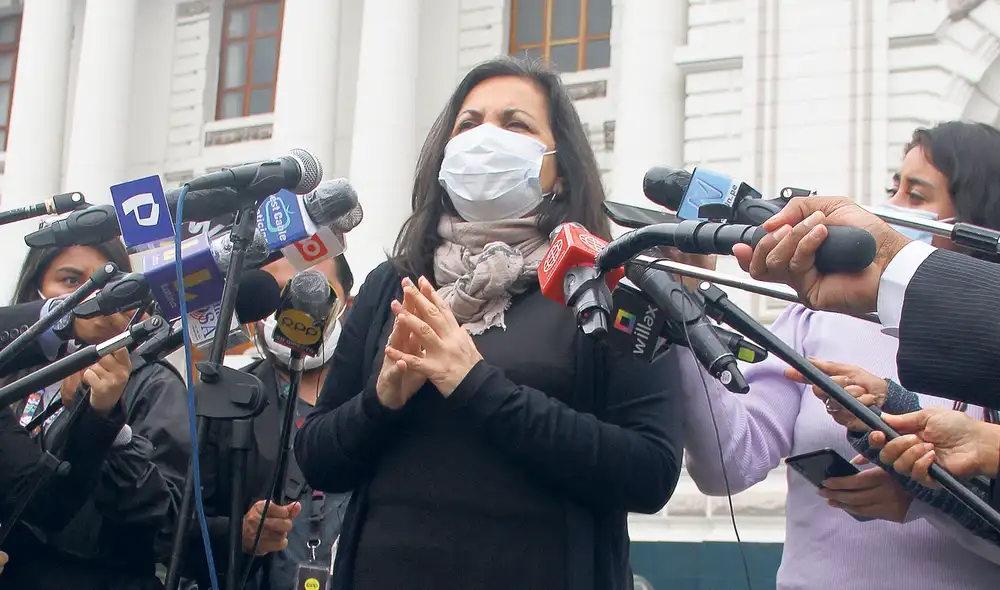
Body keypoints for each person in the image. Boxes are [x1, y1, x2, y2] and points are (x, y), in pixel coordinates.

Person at [294, 56, 684, 590]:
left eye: (516, 123)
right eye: (469, 124)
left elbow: (650, 472)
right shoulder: (394, 283)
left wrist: (475, 384)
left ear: (560, 165)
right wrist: (380, 401)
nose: (485, 138)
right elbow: (318, 460)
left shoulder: (607, 285)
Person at [671, 121, 1000, 589]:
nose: (892, 210)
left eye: (918, 196)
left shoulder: (987, 343)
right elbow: (729, 461)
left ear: (975, 221)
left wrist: (926, 497)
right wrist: (684, 313)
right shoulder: (818, 315)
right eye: (895, 187)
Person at [1, 240, 190, 590]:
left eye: (105, 288)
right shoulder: (10, 373)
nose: (90, 301)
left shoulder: (152, 381)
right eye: (72, 283)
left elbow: (165, 520)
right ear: (36, 290)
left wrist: (108, 425)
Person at [730, 192, 1000, 405]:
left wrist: (889, 258)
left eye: (915, 195)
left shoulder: (959, 352)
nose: (893, 204)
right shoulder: (813, 320)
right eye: (893, 189)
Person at [187, 254, 354, 590]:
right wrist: (240, 535)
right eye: (283, 295)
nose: (303, 311)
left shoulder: (382, 399)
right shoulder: (222, 402)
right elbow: (180, 528)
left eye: (322, 295)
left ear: (348, 303)